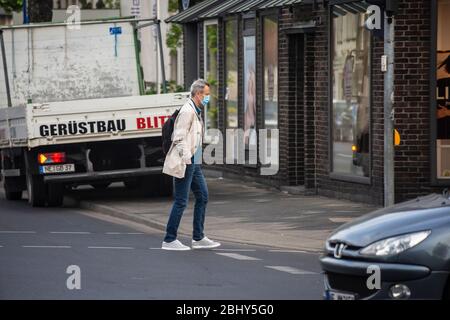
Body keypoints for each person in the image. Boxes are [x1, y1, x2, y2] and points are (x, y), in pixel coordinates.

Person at [161, 79, 221, 251]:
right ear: (198, 94)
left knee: (203, 196)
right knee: (181, 201)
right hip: (186, 162)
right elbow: (178, 138)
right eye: (207, 95)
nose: (208, 98)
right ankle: (169, 239)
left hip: (194, 162)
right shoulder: (188, 111)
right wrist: (187, 159)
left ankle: (198, 237)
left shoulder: (195, 110)